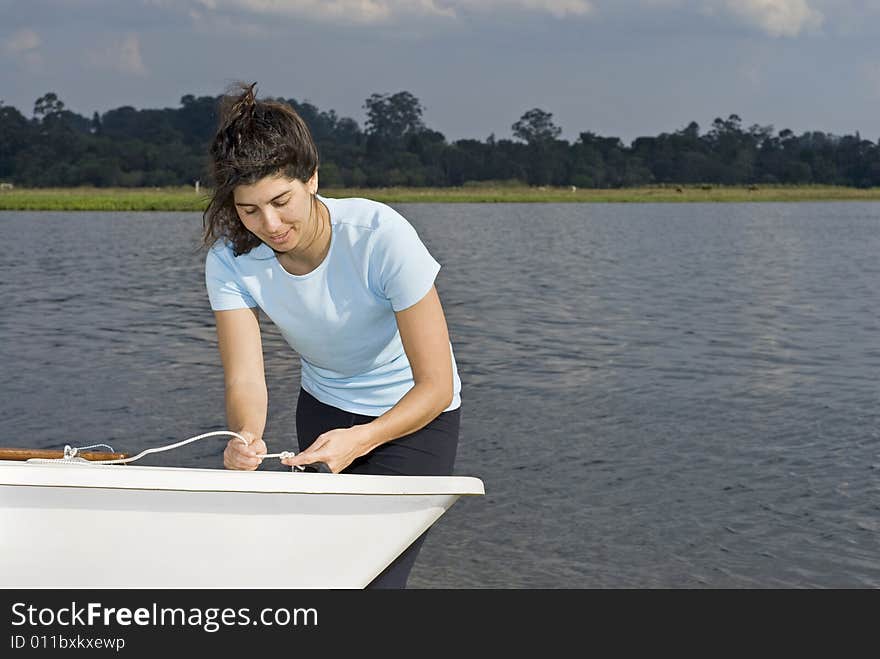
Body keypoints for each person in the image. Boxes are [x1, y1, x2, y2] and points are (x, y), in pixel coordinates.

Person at [201, 83, 462, 589]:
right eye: (249, 210)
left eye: (281, 201)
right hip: (323, 412)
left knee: (377, 583)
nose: (270, 224)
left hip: (415, 419)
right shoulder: (230, 261)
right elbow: (245, 380)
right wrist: (245, 438)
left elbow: (437, 385)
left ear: (312, 178)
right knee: (324, 578)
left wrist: (363, 439)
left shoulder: (380, 236)